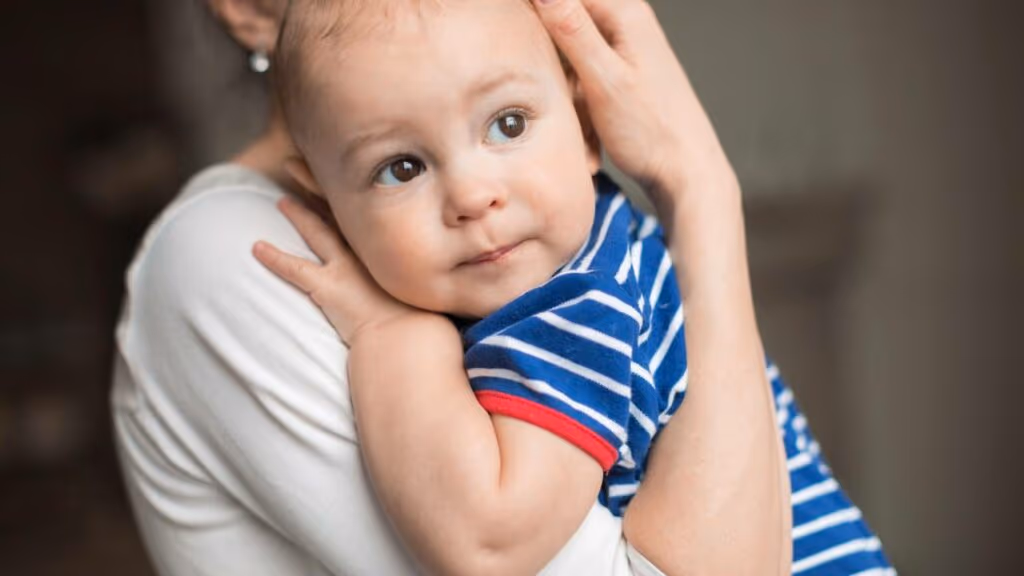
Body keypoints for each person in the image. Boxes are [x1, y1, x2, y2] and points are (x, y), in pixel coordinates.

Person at [252, 1, 893, 575]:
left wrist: (383, 330)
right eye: (402, 167)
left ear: (587, 128)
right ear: (325, 198)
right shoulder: (573, 254)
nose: (474, 196)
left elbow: (489, 544)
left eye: (507, 124)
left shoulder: (576, 298)